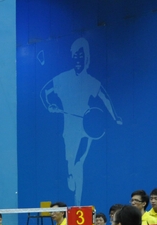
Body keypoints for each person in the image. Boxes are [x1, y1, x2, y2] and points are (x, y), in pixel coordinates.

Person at [39, 37, 122, 206]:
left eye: (81, 55)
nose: (78, 59)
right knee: (72, 164)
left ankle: (77, 205)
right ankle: (70, 175)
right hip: (69, 130)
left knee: (80, 162)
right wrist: (49, 106)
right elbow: (44, 92)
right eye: (75, 55)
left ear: (87, 58)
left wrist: (115, 117)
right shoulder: (62, 78)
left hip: (86, 129)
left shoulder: (91, 81)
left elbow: (105, 97)